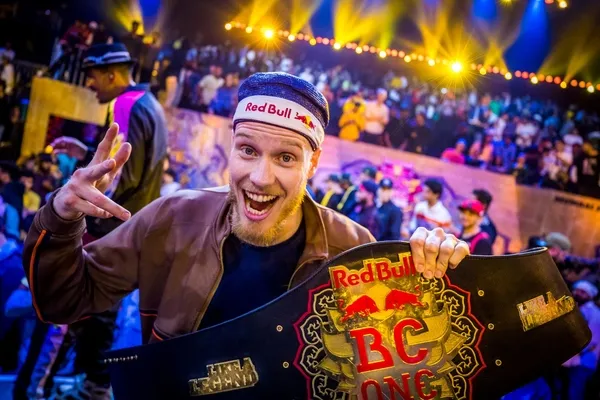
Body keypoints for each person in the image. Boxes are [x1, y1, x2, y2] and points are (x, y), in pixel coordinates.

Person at [23, 73, 469, 354]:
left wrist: (435, 288)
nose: (260, 177)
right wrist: (61, 217)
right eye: (248, 150)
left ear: (313, 163)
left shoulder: (351, 249)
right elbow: (63, 300)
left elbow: (398, 365)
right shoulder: (175, 217)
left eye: (286, 158)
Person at [47, 43, 168, 399]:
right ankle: (94, 384)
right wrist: (84, 153)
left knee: (93, 311)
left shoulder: (125, 103)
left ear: (112, 75)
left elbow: (117, 177)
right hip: (129, 227)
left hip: (111, 227)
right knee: (103, 312)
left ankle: (94, 387)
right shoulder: (150, 104)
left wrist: (77, 212)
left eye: (93, 77)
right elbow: (123, 166)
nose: (90, 85)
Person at [559, 280, 600, 400]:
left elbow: (592, 340)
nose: (577, 293)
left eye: (582, 292)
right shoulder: (574, 308)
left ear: (590, 295)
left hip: (583, 361)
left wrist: (572, 355)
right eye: (576, 290)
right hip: (570, 360)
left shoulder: (595, 314)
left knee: (575, 392)